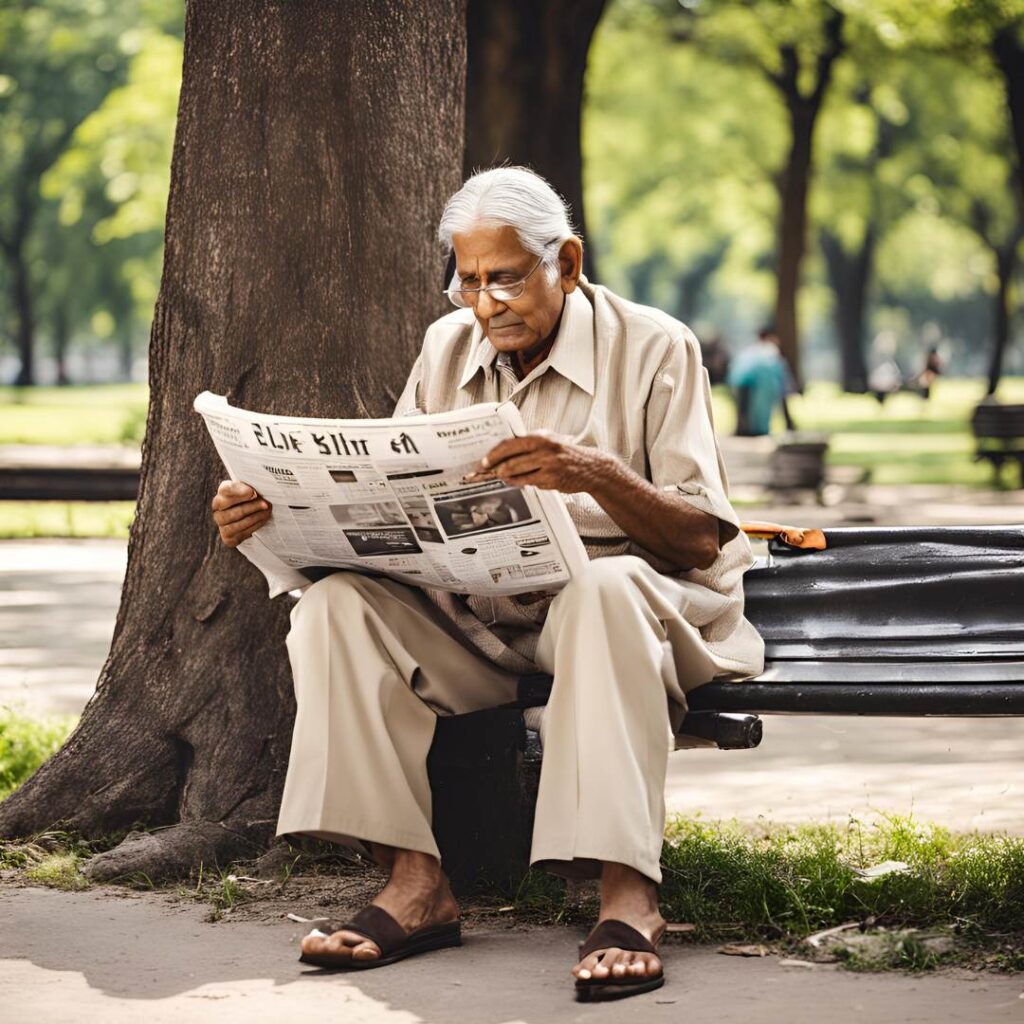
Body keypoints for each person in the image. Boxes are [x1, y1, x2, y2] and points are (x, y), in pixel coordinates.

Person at [210, 167, 765, 1002]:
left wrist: (596, 474)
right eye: (466, 280)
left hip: (631, 621)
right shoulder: (448, 347)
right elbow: (386, 502)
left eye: (505, 277)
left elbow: (697, 537)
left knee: (603, 590)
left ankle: (628, 898)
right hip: (484, 624)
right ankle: (413, 884)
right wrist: (274, 515)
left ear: (567, 263)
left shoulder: (657, 347)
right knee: (332, 609)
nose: (483, 302)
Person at [727, 326, 795, 435]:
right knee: (761, 409)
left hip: (740, 382)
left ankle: (743, 430)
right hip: (759, 382)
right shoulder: (771, 350)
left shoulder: (751, 349)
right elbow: (779, 372)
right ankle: (759, 430)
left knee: (744, 409)